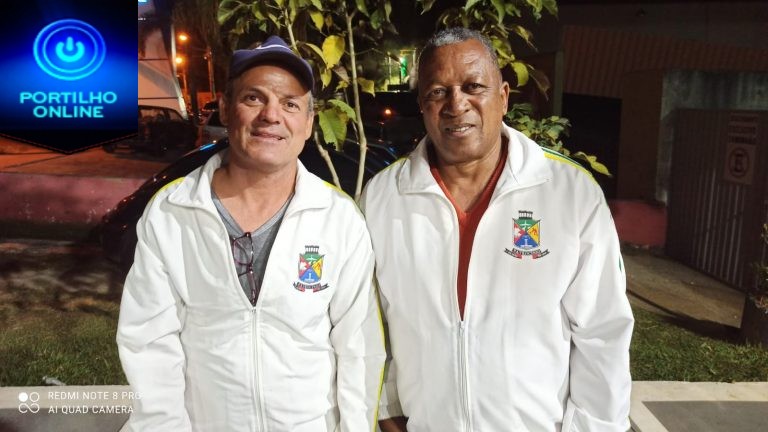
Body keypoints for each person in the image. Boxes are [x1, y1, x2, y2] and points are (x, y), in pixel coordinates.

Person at [362, 28, 634, 431]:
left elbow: (602, 332)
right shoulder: (383, 197)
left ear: (503, 97)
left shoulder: (569, 193)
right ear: (422, 105)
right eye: (438, 92)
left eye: (473, 86)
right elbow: (370, 323)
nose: (457, 104)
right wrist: (386, 409)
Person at [117, 35, 385, 431]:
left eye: (290, 104)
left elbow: (358, 348)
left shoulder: (338, 218)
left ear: (309, 123)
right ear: (226, 109)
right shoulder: (173, 212)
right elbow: (149, 343)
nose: (271, 116)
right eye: (254, 98)